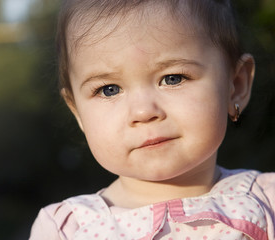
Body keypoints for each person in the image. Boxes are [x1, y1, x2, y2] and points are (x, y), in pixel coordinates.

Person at [29, 0, 275, 239]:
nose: (143, 113)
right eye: (109, 89)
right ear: (78, 113)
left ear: (236, 86)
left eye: (173, 78)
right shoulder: (66, 229)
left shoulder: (267, 202)